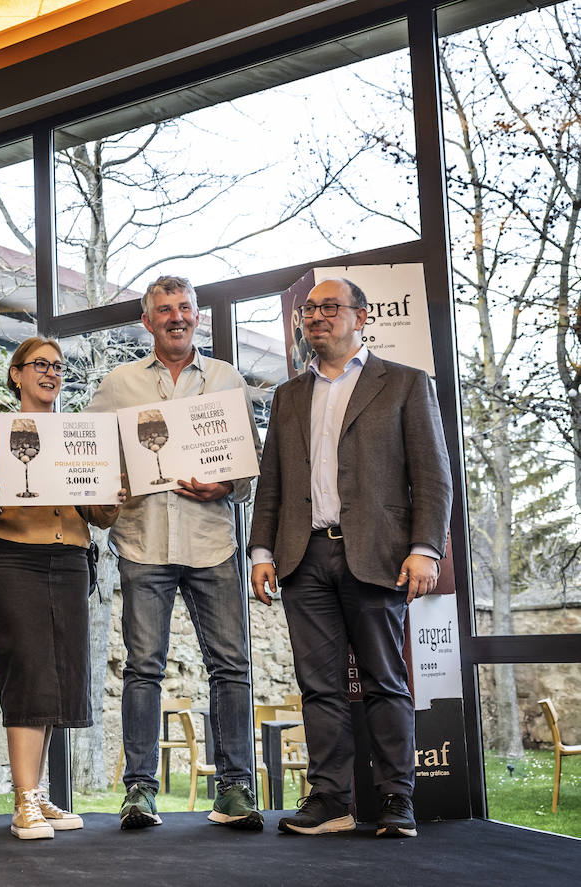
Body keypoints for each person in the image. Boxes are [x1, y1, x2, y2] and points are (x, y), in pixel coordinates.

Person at [249, 277, 451, 839]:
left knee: (386, 681)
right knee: (319, 687)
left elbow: (433, 478)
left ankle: (395, 800)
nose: (317, 316)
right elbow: (272, 486)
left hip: (378, 556)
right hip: (303, 557)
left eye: (330, 307)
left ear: (361, 318)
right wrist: (261, 550)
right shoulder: (289, 395)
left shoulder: (406, 384)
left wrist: (424, 548)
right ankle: (331, 800)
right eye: (310, 309)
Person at [85, 275, 264, 831]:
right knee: (142, 669)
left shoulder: (226, 380)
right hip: (143, 543)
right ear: (148, 321)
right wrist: (108, 481)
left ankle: (235, 789)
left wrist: (226, 487)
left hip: (212, 544)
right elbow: (86, 456)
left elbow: (249, 467)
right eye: (165, 310)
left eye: (185, 307)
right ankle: (139, 790)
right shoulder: (118, 385)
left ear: (196, 316)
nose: (177, 317)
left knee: (231, 667)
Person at [0, 337, 121, 840]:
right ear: (16, 375)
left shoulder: (81, 437)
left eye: (58, 366)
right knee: (27, 670)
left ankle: (38, 793)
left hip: (71, 560)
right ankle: (23, 800)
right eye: (40, 365)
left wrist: (108, 493)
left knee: (54, 675)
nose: (51, 373)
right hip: (15, 561)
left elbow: (103, 515)